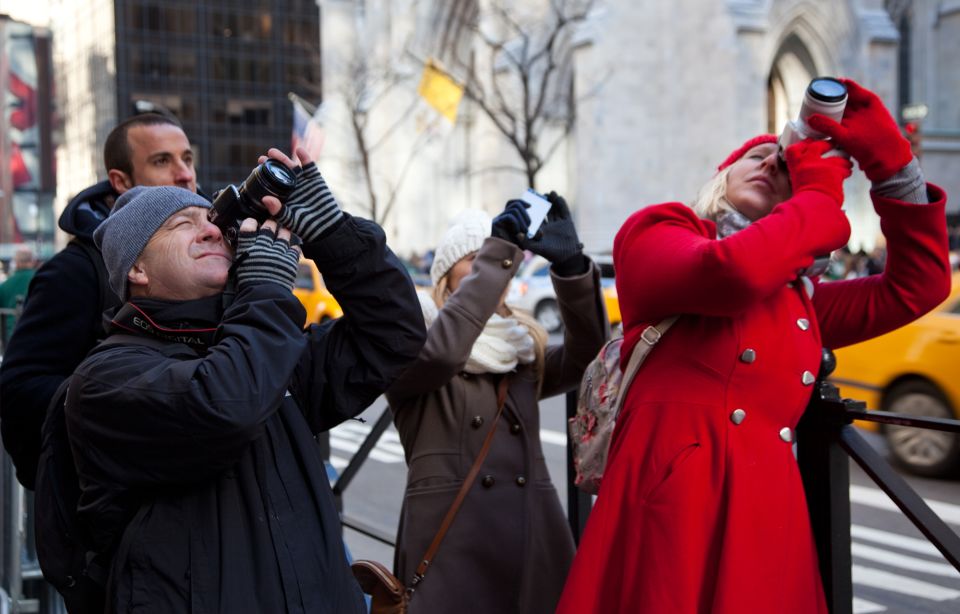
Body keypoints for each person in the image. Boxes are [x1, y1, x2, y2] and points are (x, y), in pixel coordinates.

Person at [556, 78, 952, 614]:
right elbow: (733, 272)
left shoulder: (798, 301)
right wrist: (815, 190)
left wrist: (891, 166)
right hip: (674, 512)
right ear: (722, 175)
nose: (771, 165)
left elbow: (918, 285)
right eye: (758, 156)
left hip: (766, 516)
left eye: (786, 166)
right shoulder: (660, 228)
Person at [64, 146, 425, 613]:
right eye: (182, 225)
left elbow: (394, 335)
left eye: (212, 219)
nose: (212, 228)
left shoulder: (264, 347)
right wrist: (264, 290)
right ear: (137, 269)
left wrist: (332, 233)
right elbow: (225, 404)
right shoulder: (105, 378)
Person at [386, 196, 609, 614]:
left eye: (496, 258)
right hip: (451, 545)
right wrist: (500, 252)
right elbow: (443, 357)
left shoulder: (520, 345)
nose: (491, 267)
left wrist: (571, 267)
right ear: (447, 275)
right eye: (475, 258)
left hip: (529, 536)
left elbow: (588, 356)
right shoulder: (413, 337)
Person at [0, 112, 198, 489]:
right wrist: (127, 408)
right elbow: (20, 389)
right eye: (162, 161)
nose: (184, 173)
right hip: (111, 512)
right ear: (120, 182)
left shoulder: (213, 255)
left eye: (187, 158)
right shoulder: (76, 272)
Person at [0, 246, 37, 339]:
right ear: (32, 261)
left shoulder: (5, 285)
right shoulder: (41, 279)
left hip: (10, 337)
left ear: (16, 262)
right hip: (35, 335)